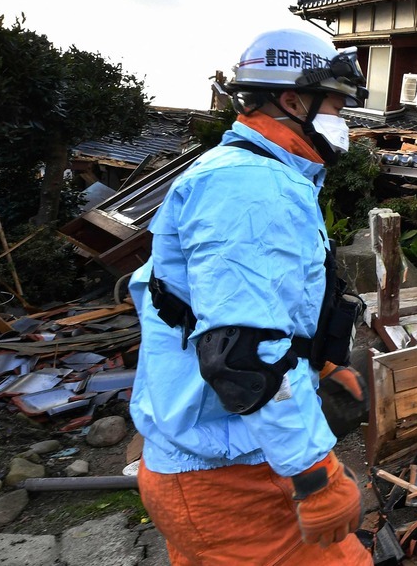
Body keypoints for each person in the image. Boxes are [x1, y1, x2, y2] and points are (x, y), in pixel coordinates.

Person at [127, 28, 372, 564]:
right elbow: (245, 354)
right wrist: (316, 474)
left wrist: (320, 367)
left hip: (206, 467)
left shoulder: (243, 175)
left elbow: (221, 310)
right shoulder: (253, 189)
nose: (343, 120)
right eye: (336, 103)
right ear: (293, 100)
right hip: (228, 481)